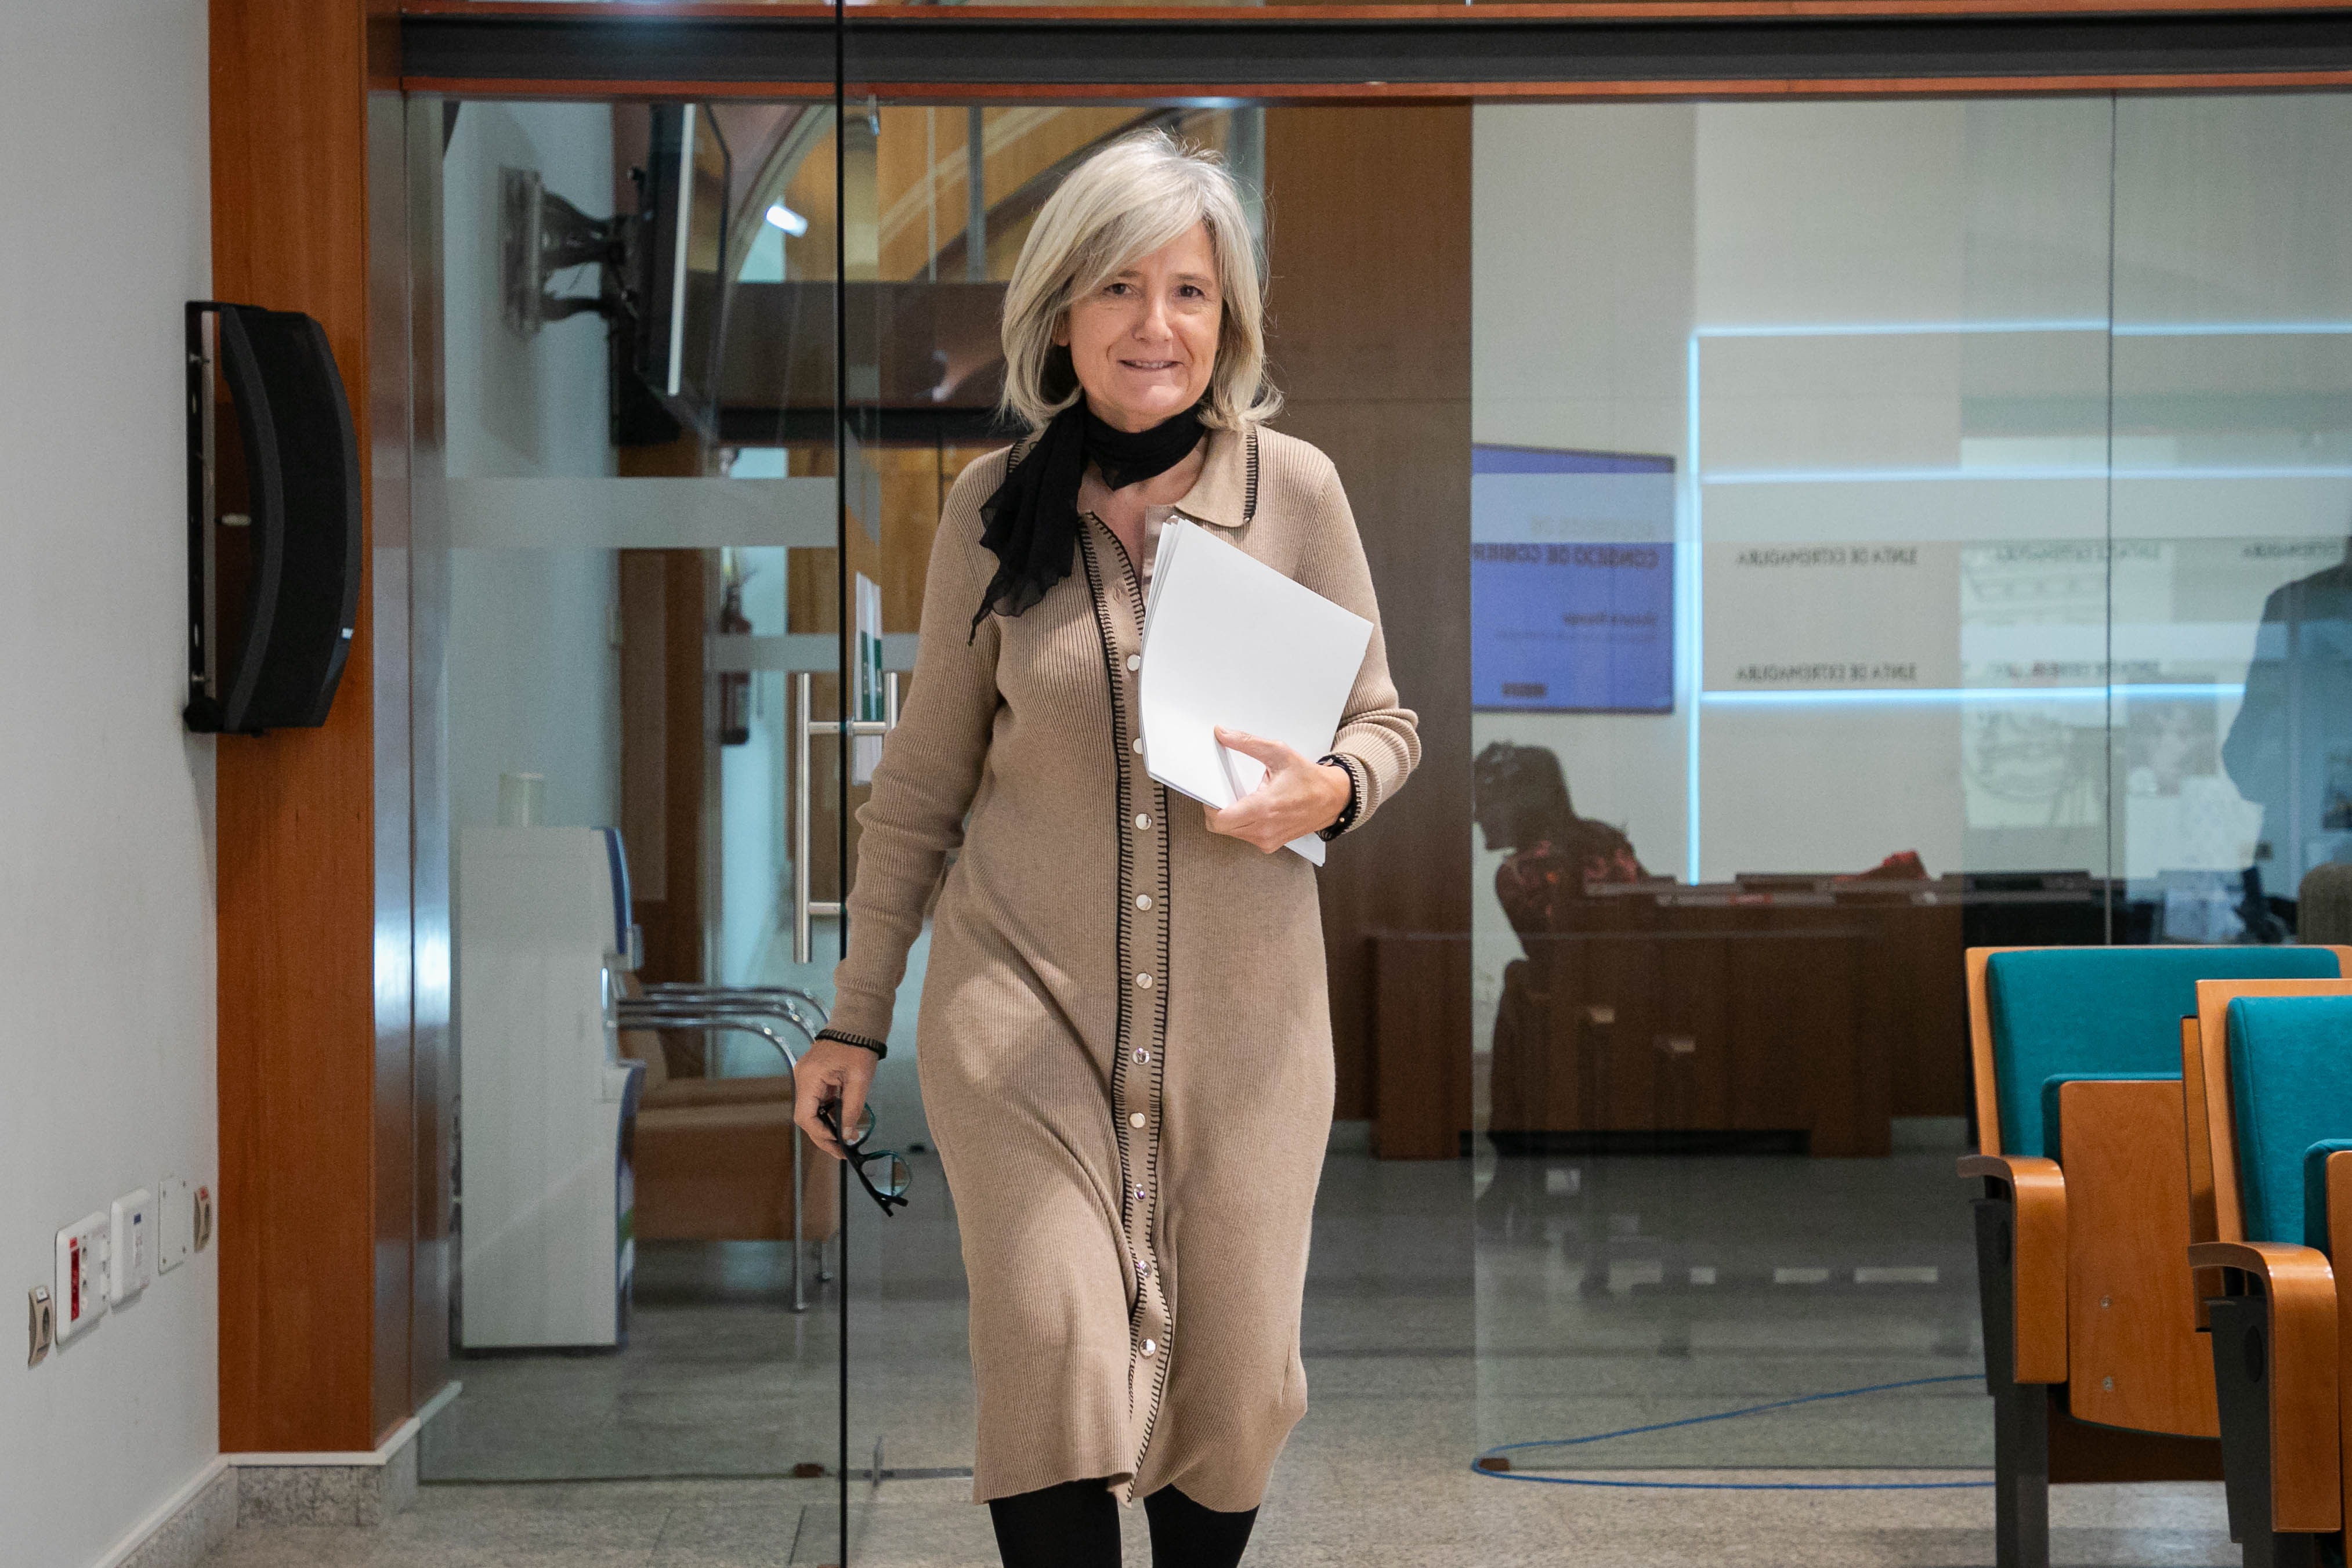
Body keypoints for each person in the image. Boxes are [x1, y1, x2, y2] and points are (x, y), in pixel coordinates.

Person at [791, 129, 1420, 1568]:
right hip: (1018, 1021)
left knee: (1238, 1385)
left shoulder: (1295, 496)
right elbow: (922, 784)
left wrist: (1324, 789)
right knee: (1048, 1355)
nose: (1157, 324)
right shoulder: (991, 510)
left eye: (1190, 293)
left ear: (1228, 320)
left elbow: (1387, 724)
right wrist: (854, 1018)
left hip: (1251, 1040)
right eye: (1121, 288)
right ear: (1060, 317)